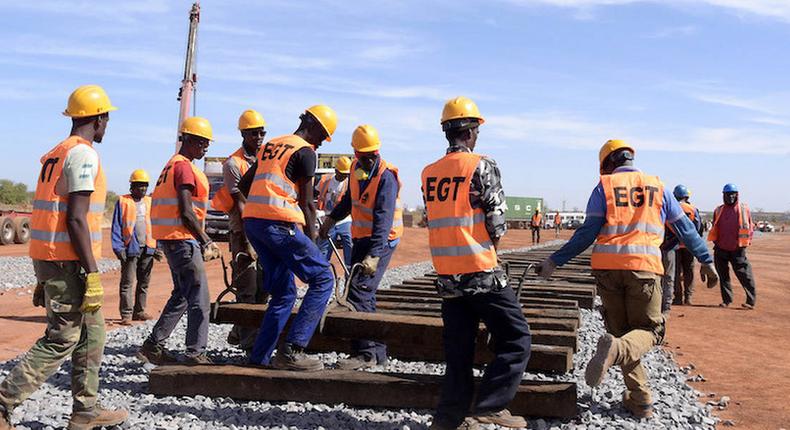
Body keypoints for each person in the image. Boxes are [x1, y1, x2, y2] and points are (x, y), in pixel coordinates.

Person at [536, 139, 718, 419]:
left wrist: (553, 261)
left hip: (607, 270)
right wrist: (706, 259)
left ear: (608, 163)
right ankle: (618, 353)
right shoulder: (658, 187)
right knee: (649, 331)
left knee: (622, 332)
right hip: (644, 270)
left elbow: (586, 234)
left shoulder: (604, 187)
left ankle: (640, 397)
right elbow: (685, 229)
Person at [0, 85, 128, 429]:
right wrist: (93, 272)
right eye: (107, 119)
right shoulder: (83, 154)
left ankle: (85, 412)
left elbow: (51, 213)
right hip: (67, 260)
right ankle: (2, 401)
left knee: (93, 333)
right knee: (63, 336)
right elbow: (74, 217)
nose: (107, 125)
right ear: (99, 118)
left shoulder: (56, 153)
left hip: (49, 255)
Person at [422, 97, 531, 430]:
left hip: (447, 278)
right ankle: (490, 406)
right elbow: (496, 224)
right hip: (481, 271)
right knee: (516, 338)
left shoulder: (428, 173)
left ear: (447, 132)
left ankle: (449, 416)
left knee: (458, 349)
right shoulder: (482, 165)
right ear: (470, 132)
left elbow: (433, 220)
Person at [239, 105, 337, 371]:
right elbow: (307, 205)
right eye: (322, 136)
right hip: (280, 225)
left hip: (254, 224)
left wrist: (263, 207)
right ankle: (293, 350)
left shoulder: (272, 144)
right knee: (323, 277)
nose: (319, 142)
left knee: (284, 293)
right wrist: (314, 243)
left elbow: (244, 185)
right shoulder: (305, 152)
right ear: (315, 126)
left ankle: (259, 358)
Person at [137, 117, 222, 365]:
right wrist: (206, 240)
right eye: (202, 142)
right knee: (199, 297)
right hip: (182, 240)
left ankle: (153, 346)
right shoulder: (183, 167)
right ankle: (195, 352)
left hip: (172, 240)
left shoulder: (171, 165)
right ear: (188, 140)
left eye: (207, 143)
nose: (205, 148)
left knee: (182, 295)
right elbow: (186, 212)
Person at [319, 125, 403, 370]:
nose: (367, 160)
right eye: (362, 156)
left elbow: (383, 220)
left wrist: (375, 255)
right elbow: (349, 201)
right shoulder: (356, 169)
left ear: (377, 152)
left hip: (383, 239)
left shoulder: (386, 177)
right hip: (361, 237)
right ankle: (377, 351)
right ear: (356, 154)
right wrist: (331, 219)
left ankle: (364, 354)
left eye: (371, 156)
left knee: (359, 292)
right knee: (364, 292)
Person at [211, 109, 266, 354]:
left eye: (261, 132)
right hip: (243, 232)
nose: (259, 137)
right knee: (247, 287)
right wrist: (250, 240)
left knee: (265, 286)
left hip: (265, 229)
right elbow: (240, 202)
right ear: (244, 134)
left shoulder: (266, 158)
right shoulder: (234, 164)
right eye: (254, 133)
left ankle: (240, 329)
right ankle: (249, 344)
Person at [110, 169, 160, 325]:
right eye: (139, 186)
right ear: (132, 186)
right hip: (130, 249)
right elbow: (117, 226)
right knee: (127, 283)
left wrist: (158, 247)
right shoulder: (123, 201)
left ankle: (139, 311)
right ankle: (126, 314)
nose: (143, 189)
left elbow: (156, 224)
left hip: (148, 247)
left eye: (145, 186)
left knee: (144, 282)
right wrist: (118, 248)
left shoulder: (150, 202)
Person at [708, 183, 756, 309]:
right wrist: (716, 242)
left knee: (745, 275)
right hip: (720, 248)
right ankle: (727, 300)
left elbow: (750, 227)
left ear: (737, 195)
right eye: (727, 195)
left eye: (732, 195)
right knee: (723, 276)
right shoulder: (718, 210)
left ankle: (751, 301)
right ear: (723, 196)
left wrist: (746, 243)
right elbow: (714, 226)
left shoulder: (743, 209)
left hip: (737, 249)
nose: (730, 197)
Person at [316, 156, 353, 269]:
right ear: (336, 170)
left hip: (344, 220)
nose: (344, 176)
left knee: (350, 246)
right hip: (328, 221)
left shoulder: (350, 184)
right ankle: (322, 273)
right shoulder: (325, 181)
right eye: (342, 173)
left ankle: (350, 273)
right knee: (323, 250)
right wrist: (318, 211)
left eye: (346, 174)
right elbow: (315, 196)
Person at [672, 184, 702, 305]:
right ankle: (688, 297)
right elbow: (699, 227)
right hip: (689, 245)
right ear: (686, 196)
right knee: (689, 271)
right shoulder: (692, 209)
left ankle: (678, 297)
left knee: (675, 272)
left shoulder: (672, 208)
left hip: (674, 245)